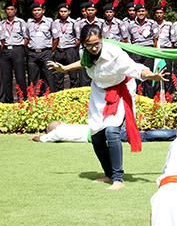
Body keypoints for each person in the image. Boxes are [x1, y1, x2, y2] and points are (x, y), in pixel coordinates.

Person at [48, 24, 167, 190]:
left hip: (119, 91)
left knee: (112, 131)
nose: (94, 48)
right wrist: (65, 68)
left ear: (102, 39)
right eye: (89, 45)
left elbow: (135, 67)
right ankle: (108, 173)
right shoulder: (85, 53)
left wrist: (150, 75)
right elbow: (84, 63)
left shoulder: (114, 53)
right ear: (83, 43)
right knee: (96, 135)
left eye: (97, 43)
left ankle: (118, 178)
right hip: (99, 93)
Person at [29, 120, 177, 143]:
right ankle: (175, 135)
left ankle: (176, 133)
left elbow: (44, 139)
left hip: (100, 134)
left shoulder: (57, 133)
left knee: (142, 136)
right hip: (100, 129)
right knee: (141, 135)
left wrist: (35, 137)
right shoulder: (68, 126)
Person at [25, 0, 59, 96]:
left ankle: (50, 97)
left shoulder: (50, 22)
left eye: (39, 10)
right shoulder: (29, 23)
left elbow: (56, 38)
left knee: (49, 76)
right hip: (32, 53)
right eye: (34, 10)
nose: (37, 12)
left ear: (43, 11)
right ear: (32, 12)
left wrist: (49, 51)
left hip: (46, 53)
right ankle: (33, 98)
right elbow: (26, 38)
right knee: (33, 77)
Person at [126, 0, 159, 98]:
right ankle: (136, 97)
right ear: (136, 13)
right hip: (136, 52)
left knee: (148, 74)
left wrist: (152, 50)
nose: (141, 13)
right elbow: (130, 39)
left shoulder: (152, 23)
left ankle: (149, 98)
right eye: (139, 11)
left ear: (146, 12)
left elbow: (155, 39)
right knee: (136, 74)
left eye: (143, 11)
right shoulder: (130, 25)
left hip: (148, 51)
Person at [0, 0, 28, 102]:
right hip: (5, 51)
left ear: (15, 10)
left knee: (20, 76)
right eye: (8, 9)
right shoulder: (2, 24)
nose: (10, 11)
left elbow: (26, 38)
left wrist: (20, 49)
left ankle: (23, 99)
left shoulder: (21, 22)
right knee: (6, 77)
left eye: (12, 9)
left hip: (17, 50)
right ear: (5, 11)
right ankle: (8, 100)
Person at [53, 0, 79, 91]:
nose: (63, 13)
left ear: (69, 12)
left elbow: (78, 39)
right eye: (61, 11)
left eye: (65, 11)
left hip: (70, 50)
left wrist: (72, 49)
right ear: (58, 12)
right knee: (58, 76)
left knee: (73, 75)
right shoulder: (55, 23)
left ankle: (73, 94)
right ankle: (59, 94)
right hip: (59, 50)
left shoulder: (74, 23)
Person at [153, 0, 176, 95]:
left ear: (164, 14)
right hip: (155, 52)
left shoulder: (169, 25)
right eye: (157, 13)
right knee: (156, 73)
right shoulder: (151, 24)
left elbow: (172, 41)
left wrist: (169, 52)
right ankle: (156, 95)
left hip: (166, 51)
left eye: (161, 13)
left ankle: (170, 95)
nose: (159, 15)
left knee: (168, 74)